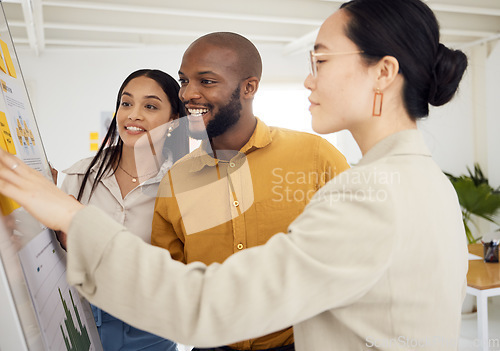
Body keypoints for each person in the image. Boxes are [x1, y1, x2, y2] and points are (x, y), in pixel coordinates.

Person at [0, 0, 469, 350]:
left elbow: (207, 301)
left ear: (384, 72)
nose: (310, 79)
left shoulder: (366, 192)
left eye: (321, 61)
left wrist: (71, 217)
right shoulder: (420, 181)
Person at [150, 32, 350, 351]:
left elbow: (357, 256)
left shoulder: (317, 157)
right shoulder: (176, 181)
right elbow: (168, 279)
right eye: (184, 80)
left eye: (206, 81)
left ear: (249, 87)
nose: (188, 93)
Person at [60, 69, 189, 351]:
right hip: (82, 325)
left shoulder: (183, 186)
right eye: (126, 103)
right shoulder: (79, 176)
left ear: (173, 121)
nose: (133, 114)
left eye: (150, 106)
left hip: (151, 331)